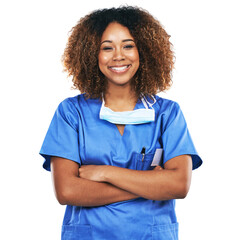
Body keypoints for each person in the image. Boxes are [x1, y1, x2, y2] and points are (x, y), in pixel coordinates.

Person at [39, 6, 202, 240]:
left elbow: (178, 186)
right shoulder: (71, 112)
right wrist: (150, 184)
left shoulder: (168, 114)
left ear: (144, 51)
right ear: (91, 54)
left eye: (128, 45)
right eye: (107, 48)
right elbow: (67, 191)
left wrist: (105, 172)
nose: (118, 56)